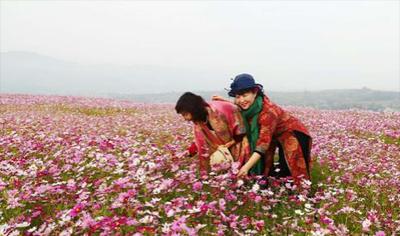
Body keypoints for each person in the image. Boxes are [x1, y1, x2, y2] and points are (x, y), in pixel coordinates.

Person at [218, 73, 312, 184]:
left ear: (255, 92)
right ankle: (271, 189)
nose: (241, 100)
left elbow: (262, 145)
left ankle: (303, 197)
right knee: (271, 167)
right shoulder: (252, 106)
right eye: (237, 97)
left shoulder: (268, 112)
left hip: (294, 134)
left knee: (294, 171)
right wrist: (225, 101)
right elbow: (240, 106)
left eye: (244, 95)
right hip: (276, 136)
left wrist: (246, 167)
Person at [175, 92, 250, 176]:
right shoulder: (199, 121)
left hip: (241, 142)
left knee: (242, 173)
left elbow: (242, 129)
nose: (185, 119)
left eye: (185, 114)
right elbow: (201, 142)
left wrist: (232, 142)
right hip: (226, 149)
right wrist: (189, 152)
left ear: (194, 109)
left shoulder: (220, 109)